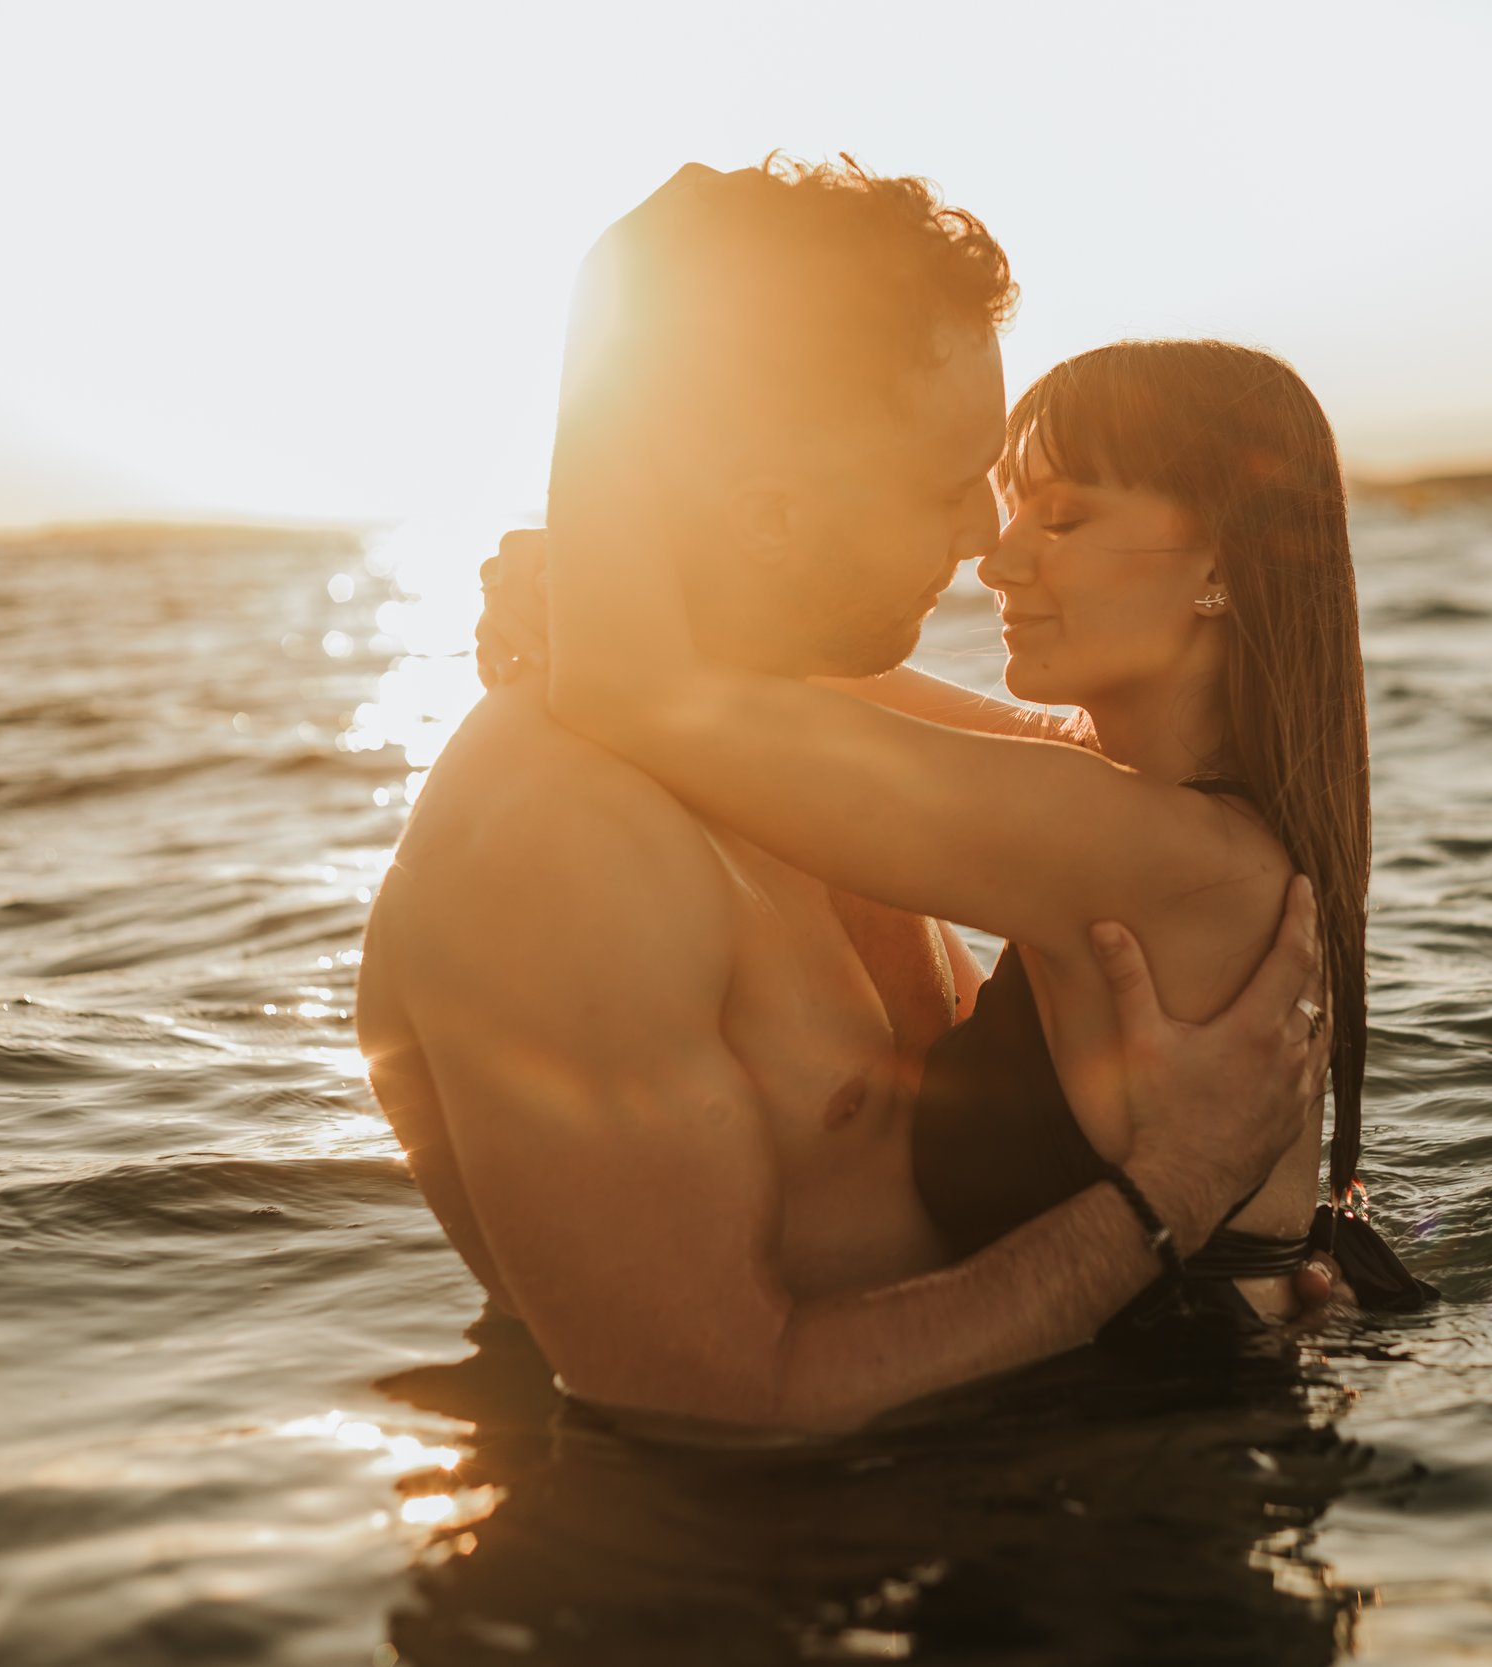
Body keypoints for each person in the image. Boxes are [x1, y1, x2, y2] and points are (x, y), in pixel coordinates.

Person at [356, 157, 1344, 1438]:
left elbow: (695, 686)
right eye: (951, 486)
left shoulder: (888, 772)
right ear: (770, 512)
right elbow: (700, 1400)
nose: (983, 540)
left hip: (1071, 1507)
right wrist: (1169, 1199)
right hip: (763, 1577)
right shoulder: (561, 838)